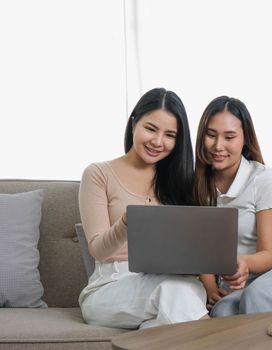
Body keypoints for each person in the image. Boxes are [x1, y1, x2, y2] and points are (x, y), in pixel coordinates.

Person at [78, 88, 208, 329]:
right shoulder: (98, 174)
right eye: (151, 128)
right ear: (133, 123)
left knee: (162, 321)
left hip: (176, 284)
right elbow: (98, 250)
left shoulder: (181, 182)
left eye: (170, 135)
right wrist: (128, 222)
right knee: (173, 294)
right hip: (111, 288)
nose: (158, 142)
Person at [194, 96, 272, 316]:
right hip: (235, 281)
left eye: (230, 137)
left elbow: (267, 255)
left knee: (258, 295)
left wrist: (242, 262)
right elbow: (199, 248)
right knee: (222, 312)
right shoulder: (195, 183)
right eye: (211, 135)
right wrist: (210, 288)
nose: (218, 146)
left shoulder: (263, 179)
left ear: (244, 138)